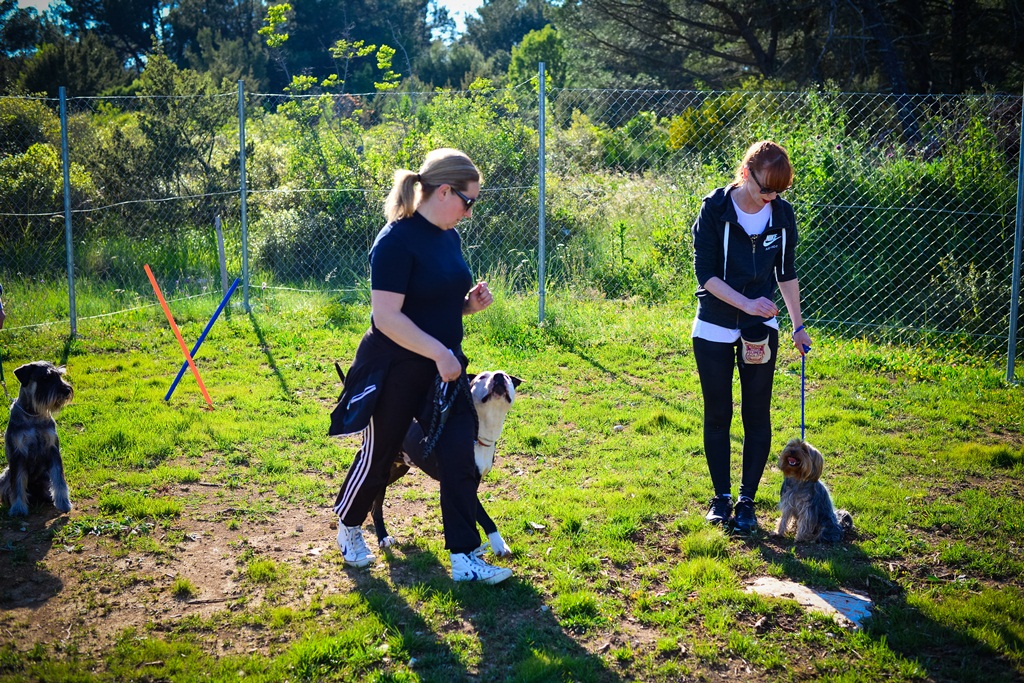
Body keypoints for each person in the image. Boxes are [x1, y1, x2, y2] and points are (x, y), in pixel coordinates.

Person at [329, 148, 512, 584]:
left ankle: (465, 558)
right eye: (468, 202)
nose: (470, 213)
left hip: (444, 369)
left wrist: (467, 306)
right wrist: (438, 352)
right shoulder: (394, 241)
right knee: (379, 459)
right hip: (393, 369)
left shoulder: (449, 235)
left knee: (460, 460)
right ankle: (349, 525)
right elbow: (387, 318)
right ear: (444, 190)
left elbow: (434, 302)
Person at [691, 140, 813, 534]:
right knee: (719, 413)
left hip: (760, 329)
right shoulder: (715, 209)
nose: (770, 198)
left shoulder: (781, 215)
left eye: (779, 191)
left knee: (756, 414)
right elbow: (706, 275)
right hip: (714, 323)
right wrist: (745, 303)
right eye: (765, 189)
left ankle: (746, 502)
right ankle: (721, 498)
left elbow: (786, 272)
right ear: (746, 174)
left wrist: (797, 325)